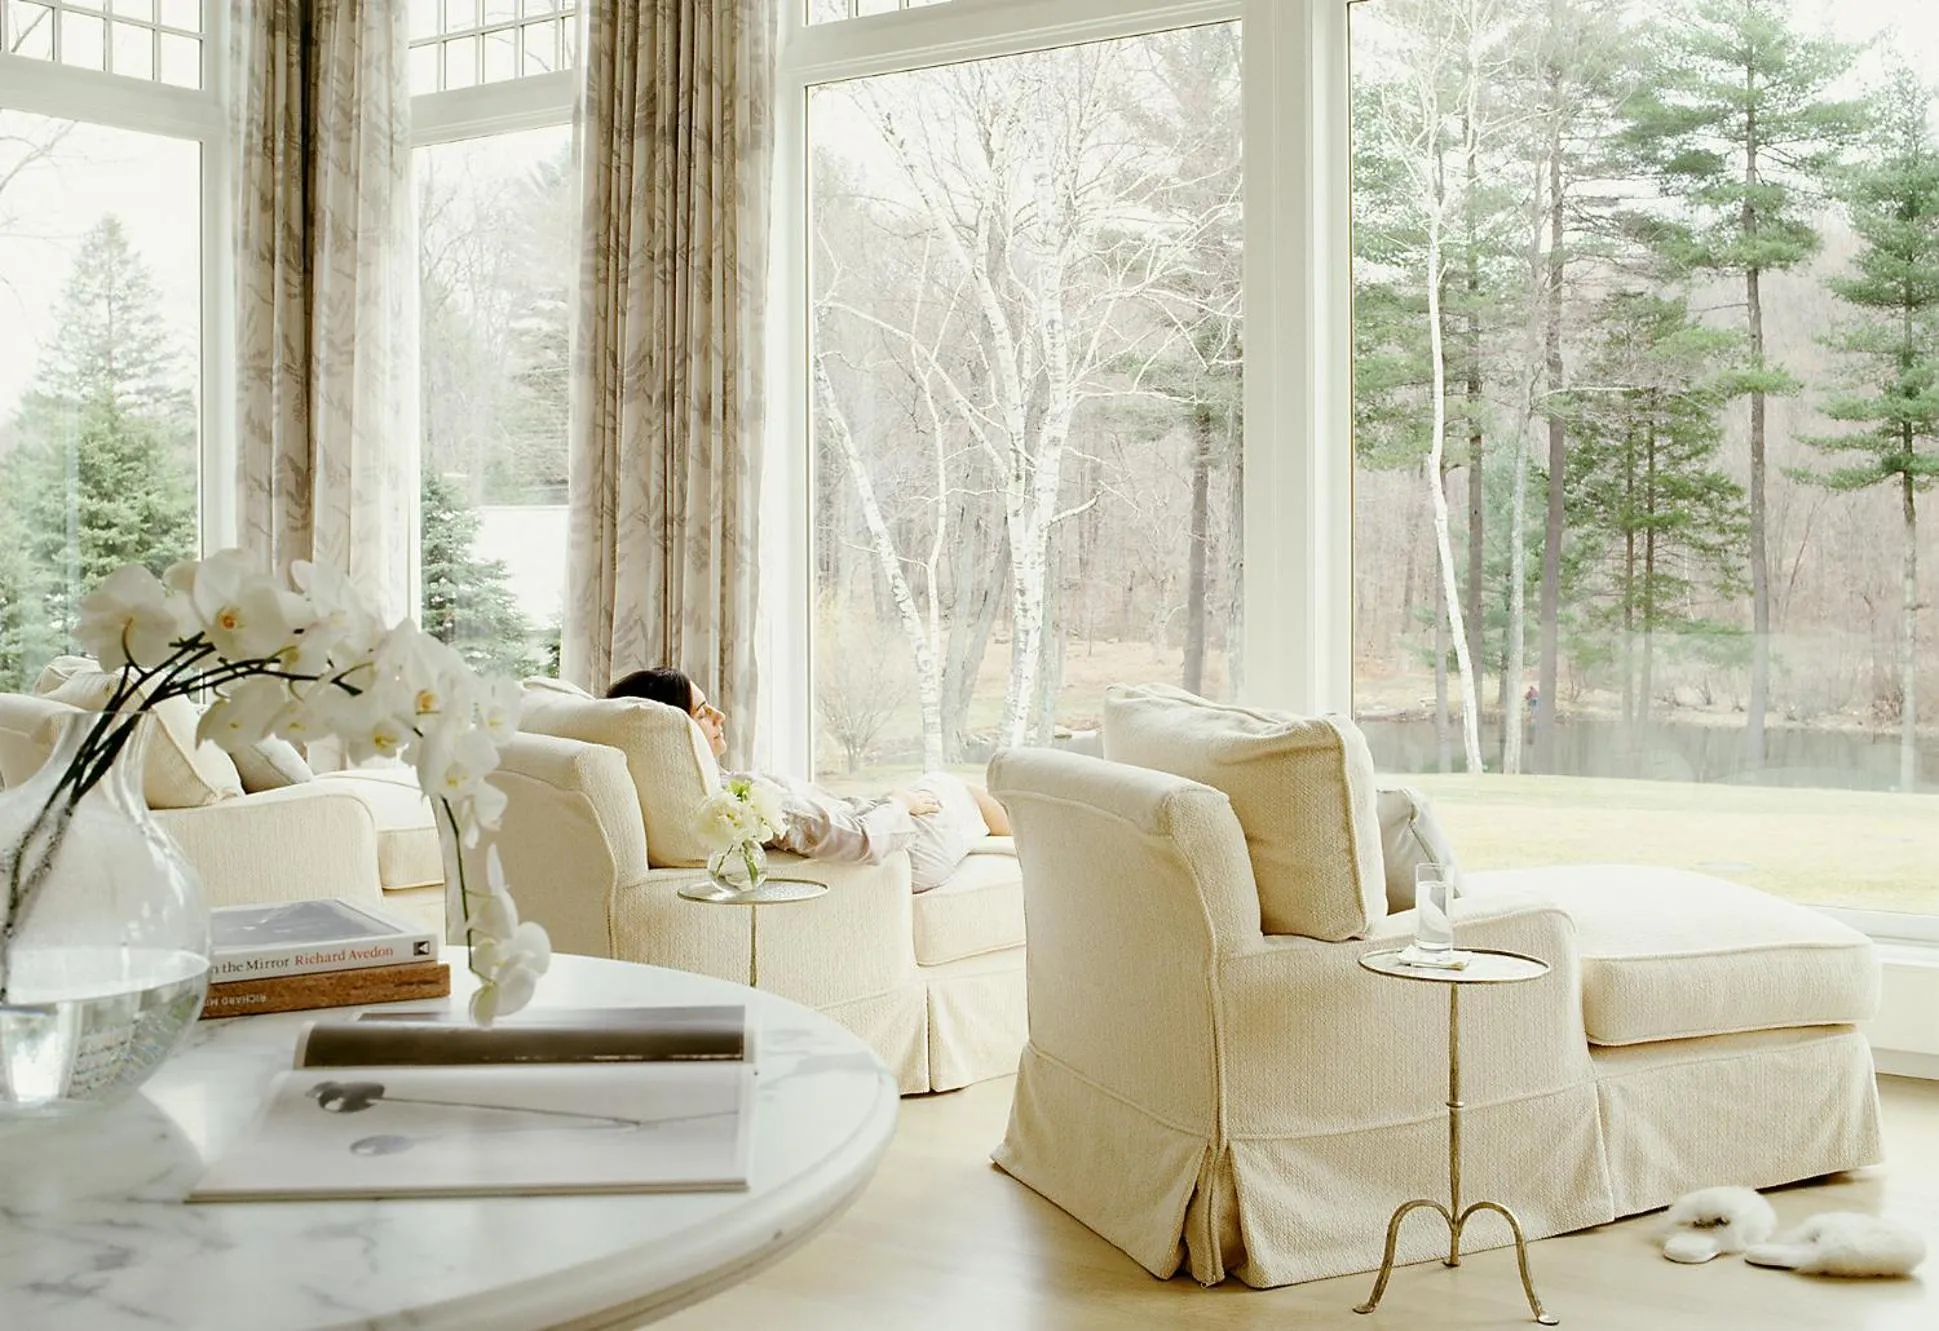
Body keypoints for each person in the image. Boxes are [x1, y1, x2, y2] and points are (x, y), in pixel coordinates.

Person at [607, 667, 1011, 892]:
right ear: (676, 733)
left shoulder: (706, 796)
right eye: (703, 712)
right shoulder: (738, 802)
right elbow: (860, 841)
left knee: (956, 791)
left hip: (885, 827)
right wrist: (899, 803)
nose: (720, 717)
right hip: (905, 849)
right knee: (954, 785)